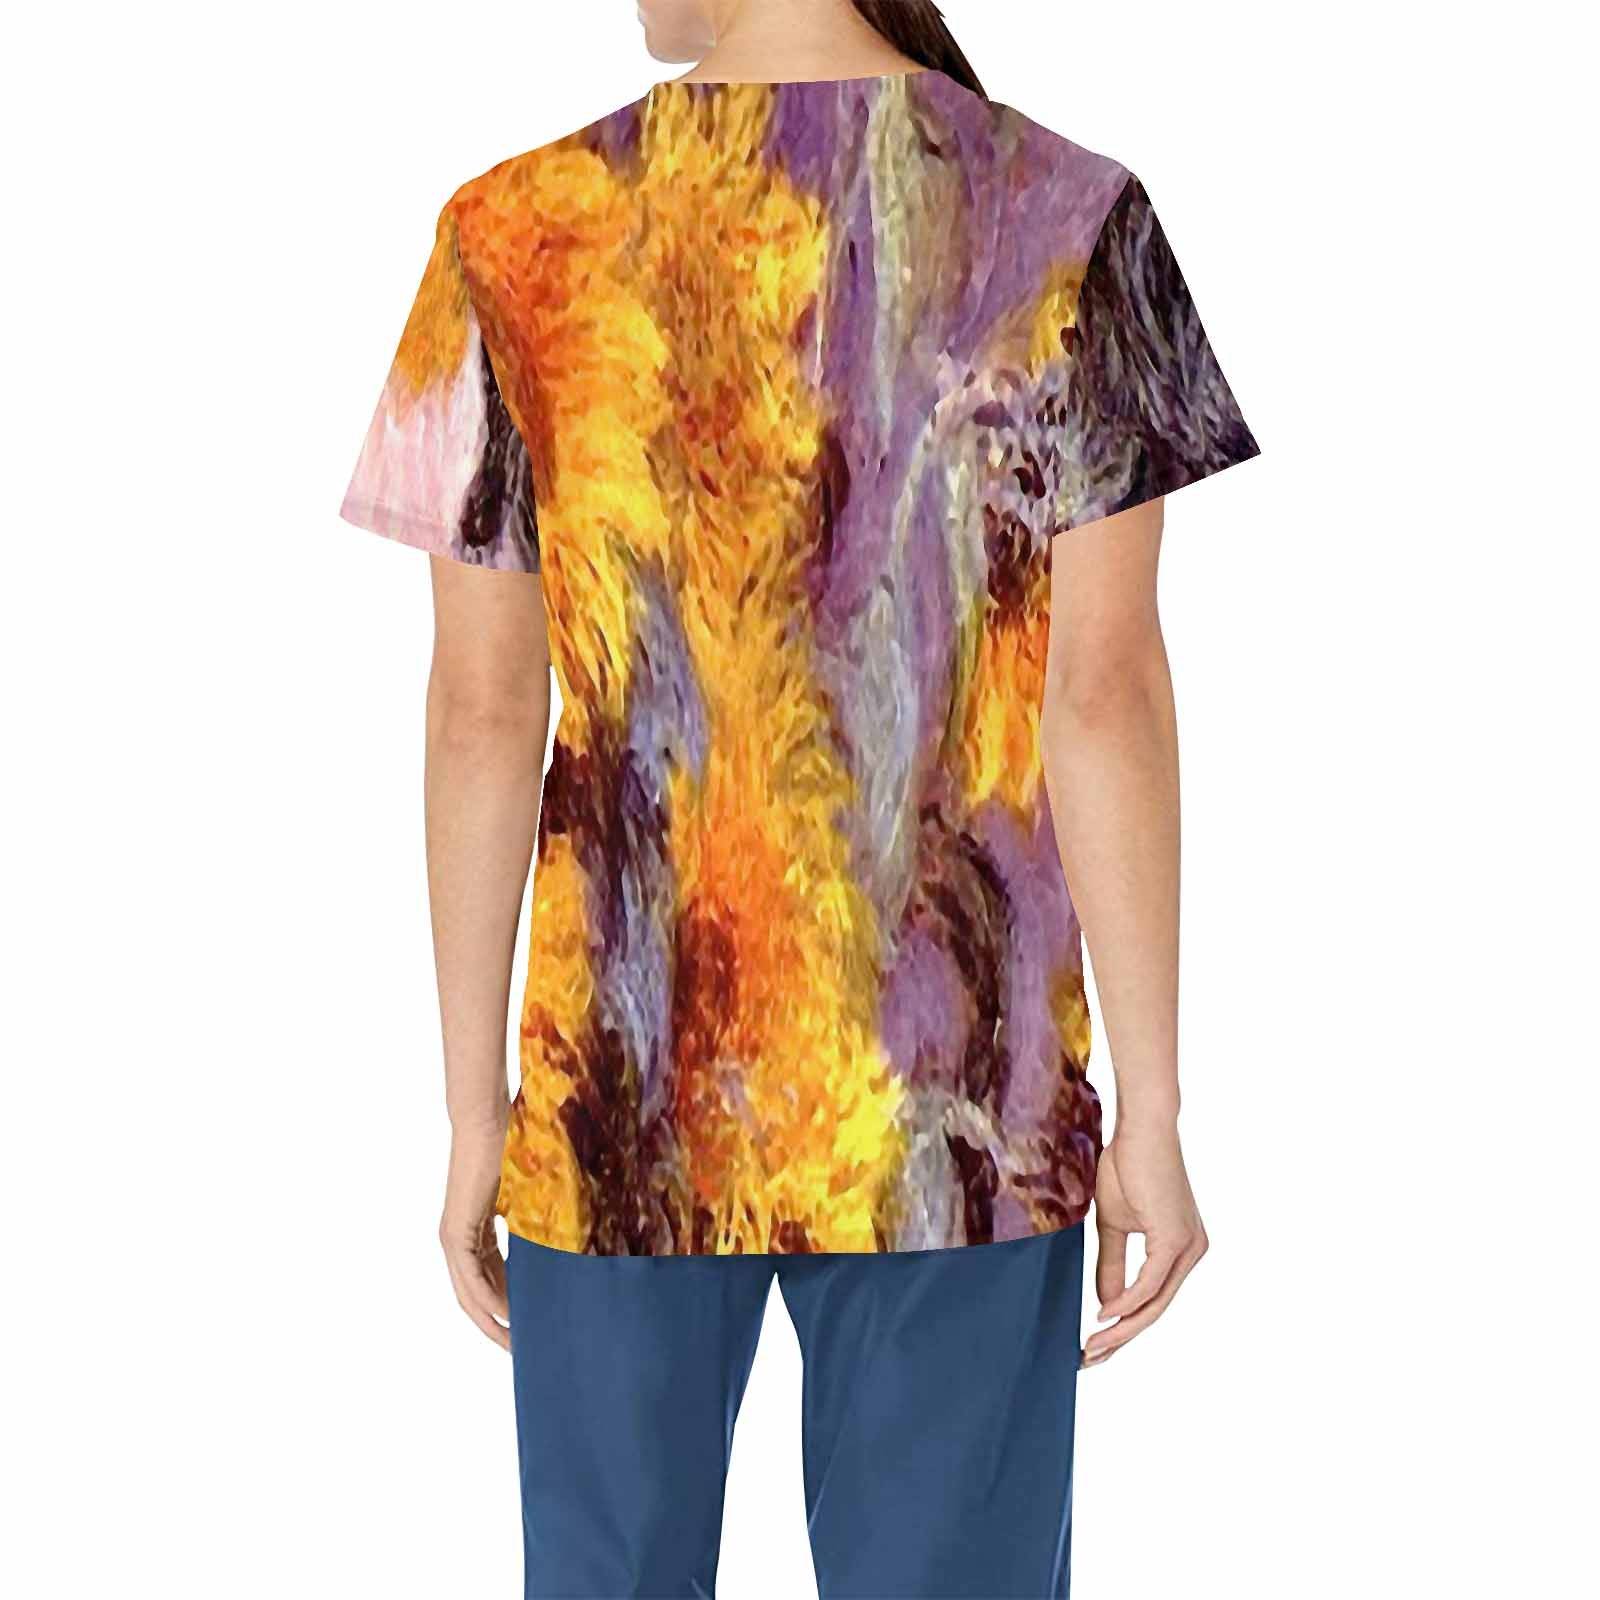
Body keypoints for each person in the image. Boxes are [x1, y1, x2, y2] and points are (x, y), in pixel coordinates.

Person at [339, 1, 1258, 1593]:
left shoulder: (517, 233)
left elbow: (483, 710)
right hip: (958, 1109)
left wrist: (478, 1110)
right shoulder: (1069, 219)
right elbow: (1103, 696)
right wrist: (1155, 1115)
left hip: (619, 1096)